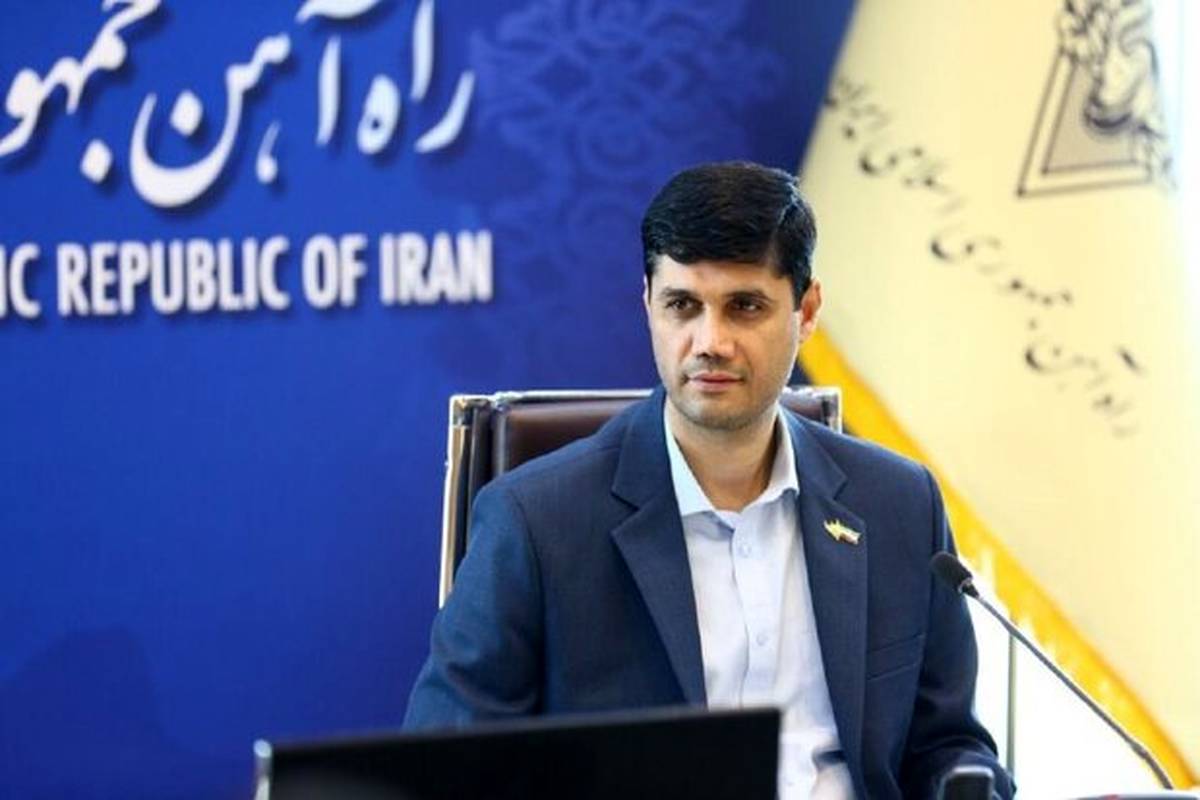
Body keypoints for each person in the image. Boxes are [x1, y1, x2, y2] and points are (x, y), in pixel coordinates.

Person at [405, 161, 1012, 799]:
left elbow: (947, 746)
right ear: (648, 304)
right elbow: (446, 772)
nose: (710, 341)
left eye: (744, 307)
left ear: (806, 311)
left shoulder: (899, 504)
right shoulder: (536, 522)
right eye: (683, 306)